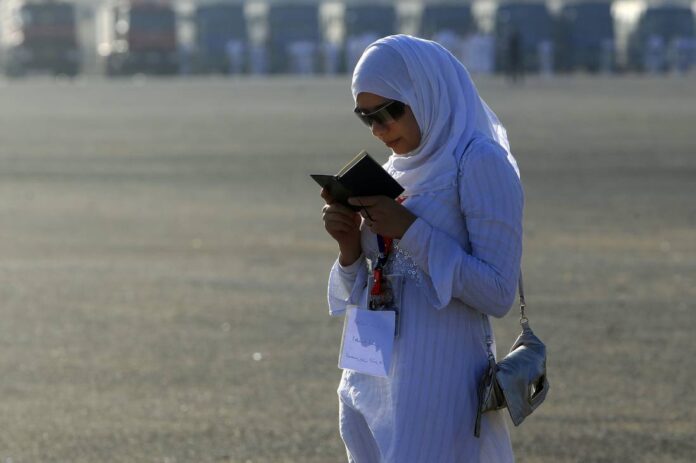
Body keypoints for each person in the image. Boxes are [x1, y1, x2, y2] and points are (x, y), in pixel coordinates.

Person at [320, 35, 523, 462]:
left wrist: (411, 231)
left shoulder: (479, 161)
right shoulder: (395, 171)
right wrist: (349, 249)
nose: (379, 129)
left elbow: (498, 292)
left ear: (426, 92)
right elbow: (376, 278)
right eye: (365, 117)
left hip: (440, 382)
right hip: (372, 373)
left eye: (389, 111)